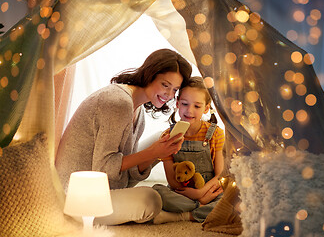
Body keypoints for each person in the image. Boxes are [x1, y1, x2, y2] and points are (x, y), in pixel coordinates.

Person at [55, 48, 192, 225]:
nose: (169, 95)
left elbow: (129, 167)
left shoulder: (138, 109)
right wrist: (152, 153)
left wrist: (157, 152)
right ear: (150, 74)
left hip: (105, 183)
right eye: (165, 85)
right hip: (78, 197)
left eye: (175, 89)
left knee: (163, 137)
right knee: (151, 199)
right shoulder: (118, 103)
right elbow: (104, 167)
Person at [152, 76, 225, 224]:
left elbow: (220, 174)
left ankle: (184, 216)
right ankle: (201, 207)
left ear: (206, 108)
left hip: (207, 189)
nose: (189, 111)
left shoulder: (216, 133)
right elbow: (172, 181)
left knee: (234, 200)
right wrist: (199, 199)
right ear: (177, 103)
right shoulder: (168, 136)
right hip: (181, 192)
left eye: (197, 106)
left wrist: (200, 193)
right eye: (185, 104)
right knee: (157, 192)